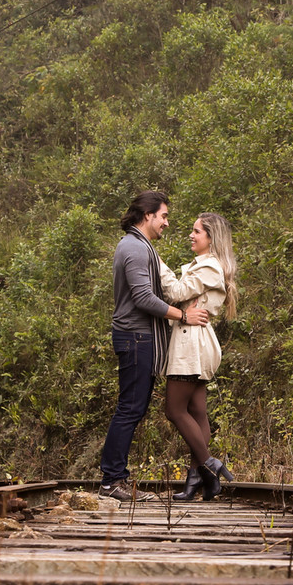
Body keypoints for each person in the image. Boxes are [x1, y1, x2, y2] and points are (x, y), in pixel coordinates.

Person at [100, 191, 211, 502]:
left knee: (132, 410)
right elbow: (144, 298)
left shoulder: (138, 246)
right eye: (163, 215)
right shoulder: (134, 248)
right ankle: (112, 480)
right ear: (146, 215)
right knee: (129, 410)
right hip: (136, 338)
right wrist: (184, 315)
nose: (166, 222)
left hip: (140, 339)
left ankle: (115, 478)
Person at [159, 213, 239, 501]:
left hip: (190, 344)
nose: (191, 236)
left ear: (210, 237)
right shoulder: (205, 266)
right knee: (197, 412)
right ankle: (197, 480)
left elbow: (177, 291)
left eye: (197, 232)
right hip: (194, 341)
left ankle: (208, 464)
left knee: (175, 410)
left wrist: (157, 263)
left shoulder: (209, 268)